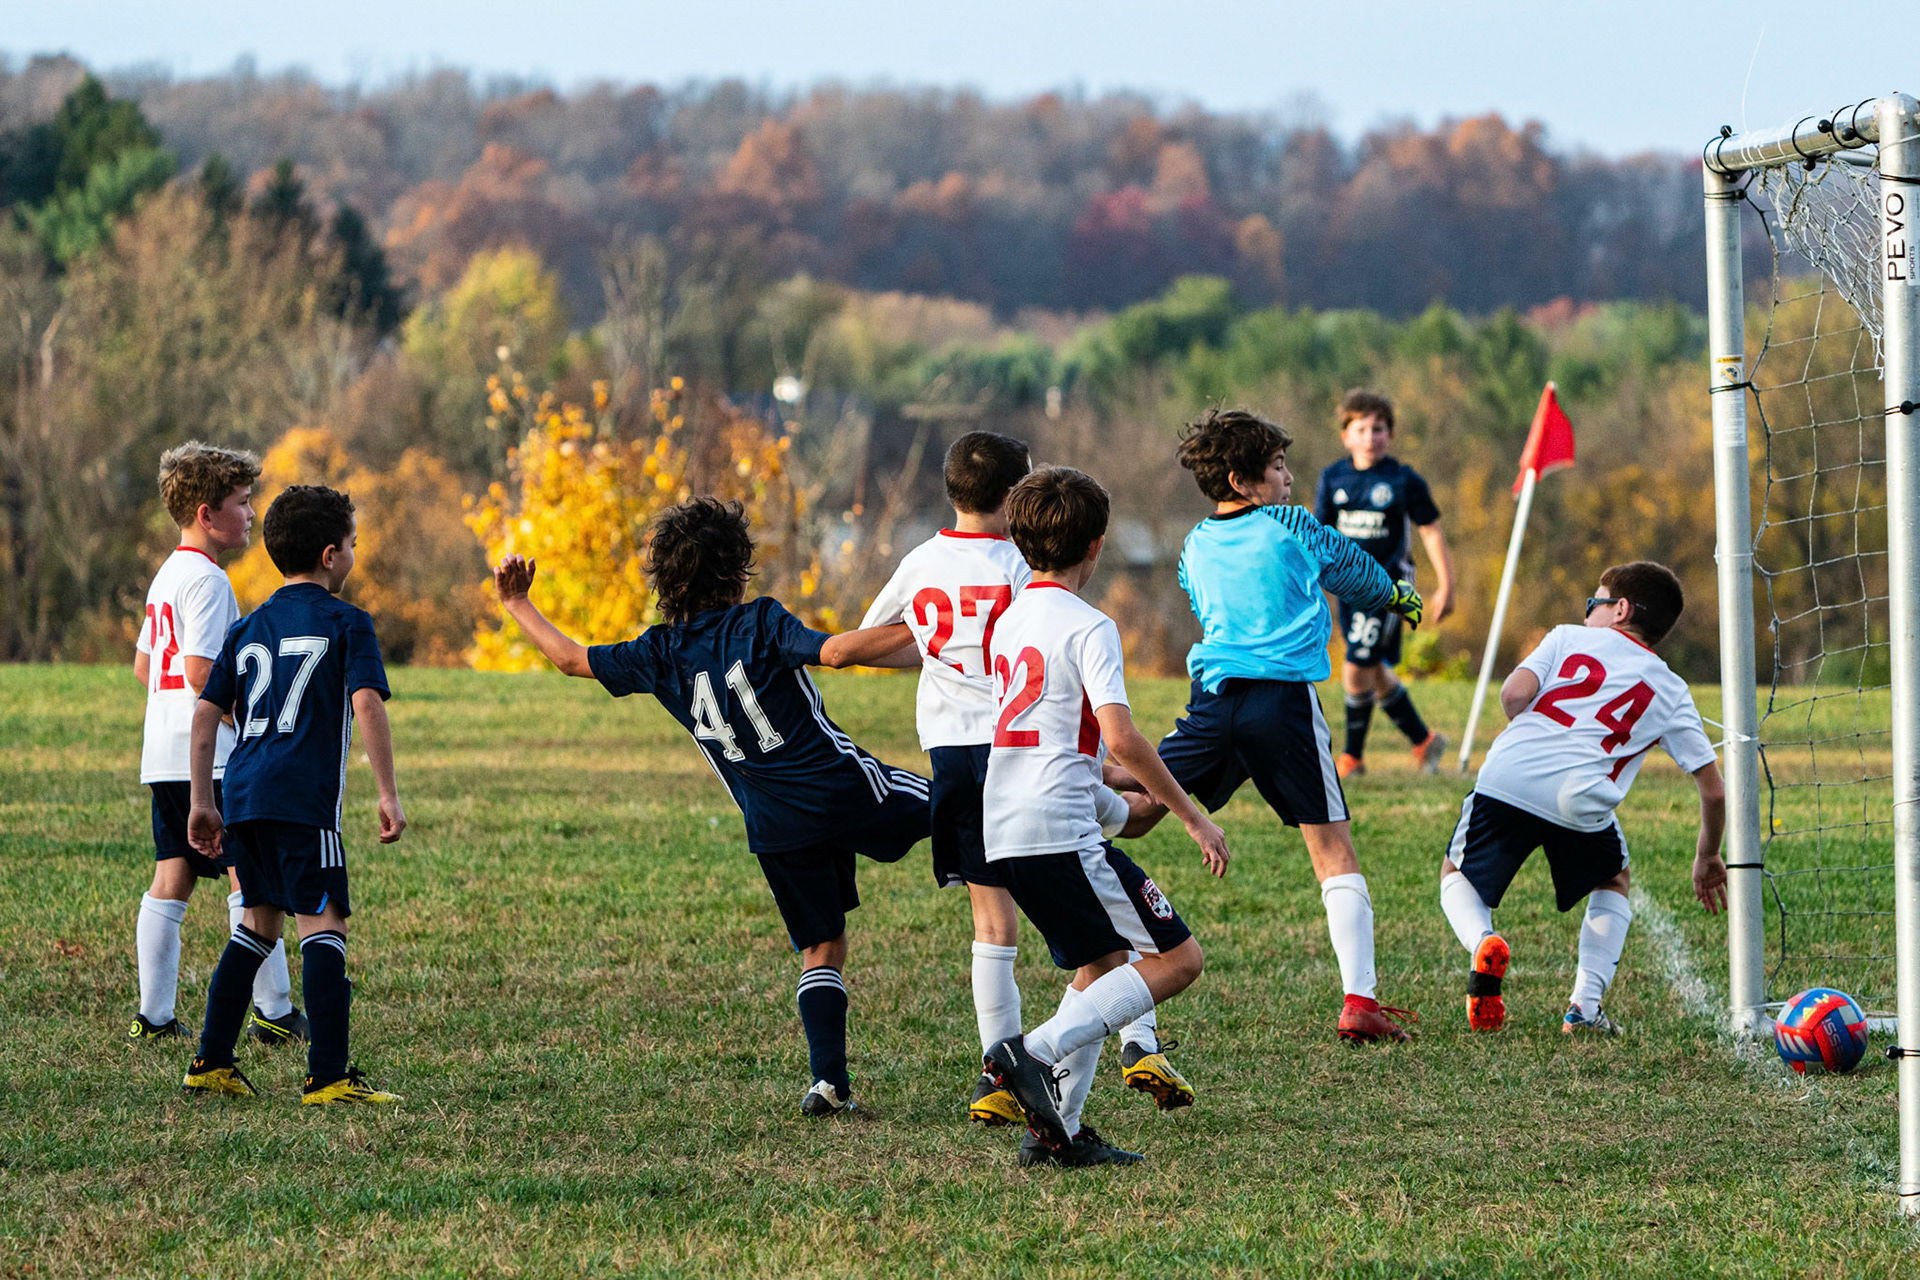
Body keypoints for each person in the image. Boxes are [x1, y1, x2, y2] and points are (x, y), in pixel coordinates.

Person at [491, 497, 927, 1116]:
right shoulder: (761, 622)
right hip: (844, 789)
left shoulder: (660, 652)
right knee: (965, 804)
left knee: (821, 945)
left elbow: (569, 659)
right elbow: (833, 652)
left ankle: (828, 1084)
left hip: (774, 825)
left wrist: (516, 603)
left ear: (666, 581)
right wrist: (933, 627)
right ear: (737, 569)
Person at [860, 431, 1189, 1128]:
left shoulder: (941, 574)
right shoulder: (1055, 600)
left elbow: (878, 636)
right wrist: (1185, 809)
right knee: (1151, 949)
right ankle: (1044, 1054)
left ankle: (1042, 1109)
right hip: (1043, 781)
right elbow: (1111, 725)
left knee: (1024, 934)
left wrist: (926, 658)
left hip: (977, 774)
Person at [978, 466, 1230, 1169]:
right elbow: (1118, 734)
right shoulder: (1089, 626)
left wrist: (1118, 790)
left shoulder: (1009, 623)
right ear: (1096, 546)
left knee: (1103, 963)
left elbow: (1059, 740)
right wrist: (1190, 815)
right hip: (1060, 828)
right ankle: (1028, 1053)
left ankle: (1056, 1130)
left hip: (1006, 826)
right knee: (1178, 960)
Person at [1156, 408, 1424, 1043]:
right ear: (1242, 480)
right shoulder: (1291, 523)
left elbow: (1198, 599)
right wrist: (1394, 595)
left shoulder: (1193, 544)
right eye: (1277, 467)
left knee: (1143, 802)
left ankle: (1083, 797)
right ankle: (1361, 1002)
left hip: (1214, 697)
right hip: (1282, 704)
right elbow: (1351, 570)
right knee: (1330, 848)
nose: (1288, 476)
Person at [182, 485, 406, 1103]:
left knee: (255, 926)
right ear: (333, 555)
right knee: (323, 924)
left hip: (244, 794)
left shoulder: (249, 624)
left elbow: (206, 715)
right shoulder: (348, 622)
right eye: (355, 545)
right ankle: (329, 1075)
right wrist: (387, 792)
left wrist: (204, 801)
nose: (355, 554)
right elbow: (366, 703)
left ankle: (211, 1061)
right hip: (304, 803)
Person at [1437, 561, 1728, 1034]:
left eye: (1594, 603)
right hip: (1581, 798)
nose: (1587, 612)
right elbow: (1713, 791)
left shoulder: (1566, 636)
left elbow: (1513, 695)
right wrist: (1708, 854)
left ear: (1621, 609)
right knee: (1612, 881)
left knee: (1457, 872)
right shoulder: (1671, 688)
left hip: (1509, 774)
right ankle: (1584, 1008)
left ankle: (1484, 941)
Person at [130, 441, 304, 1047]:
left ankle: (153, 1017)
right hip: (214, 759)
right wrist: (248, 720)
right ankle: (275, 1012)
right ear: (207, 514)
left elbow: (143, 667)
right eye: (242, 502)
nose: (252, 513)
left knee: (171, 878)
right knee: (249, 880)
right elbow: (205, 672)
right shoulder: (207, 580)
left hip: (164, 753)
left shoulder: (167, 574)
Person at [1313, 389, 1455, 778]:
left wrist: (1447, 585)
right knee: (1370, 665)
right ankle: (1425, 741)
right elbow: (1318, 533)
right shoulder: (1333, 478)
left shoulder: (1403, 479)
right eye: (1361, 428)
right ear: (1346, 435)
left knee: (1358, 662)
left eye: (1378, 429)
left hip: (1389, 587)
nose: (1370, 437)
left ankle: (1352, 759)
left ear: (1390, 435)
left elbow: (1430, 530)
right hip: (1347, 586)